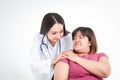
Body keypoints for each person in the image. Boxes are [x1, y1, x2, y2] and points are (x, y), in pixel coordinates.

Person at [29, 13, 73, 80]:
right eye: (54, 33)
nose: (58, 36)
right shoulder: (38, 38)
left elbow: (71, 59)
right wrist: (53, 61)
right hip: (45, 77)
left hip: (64, 74)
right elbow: (33, 64)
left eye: (61, 31)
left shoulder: (68, 37)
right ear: (45, 31)